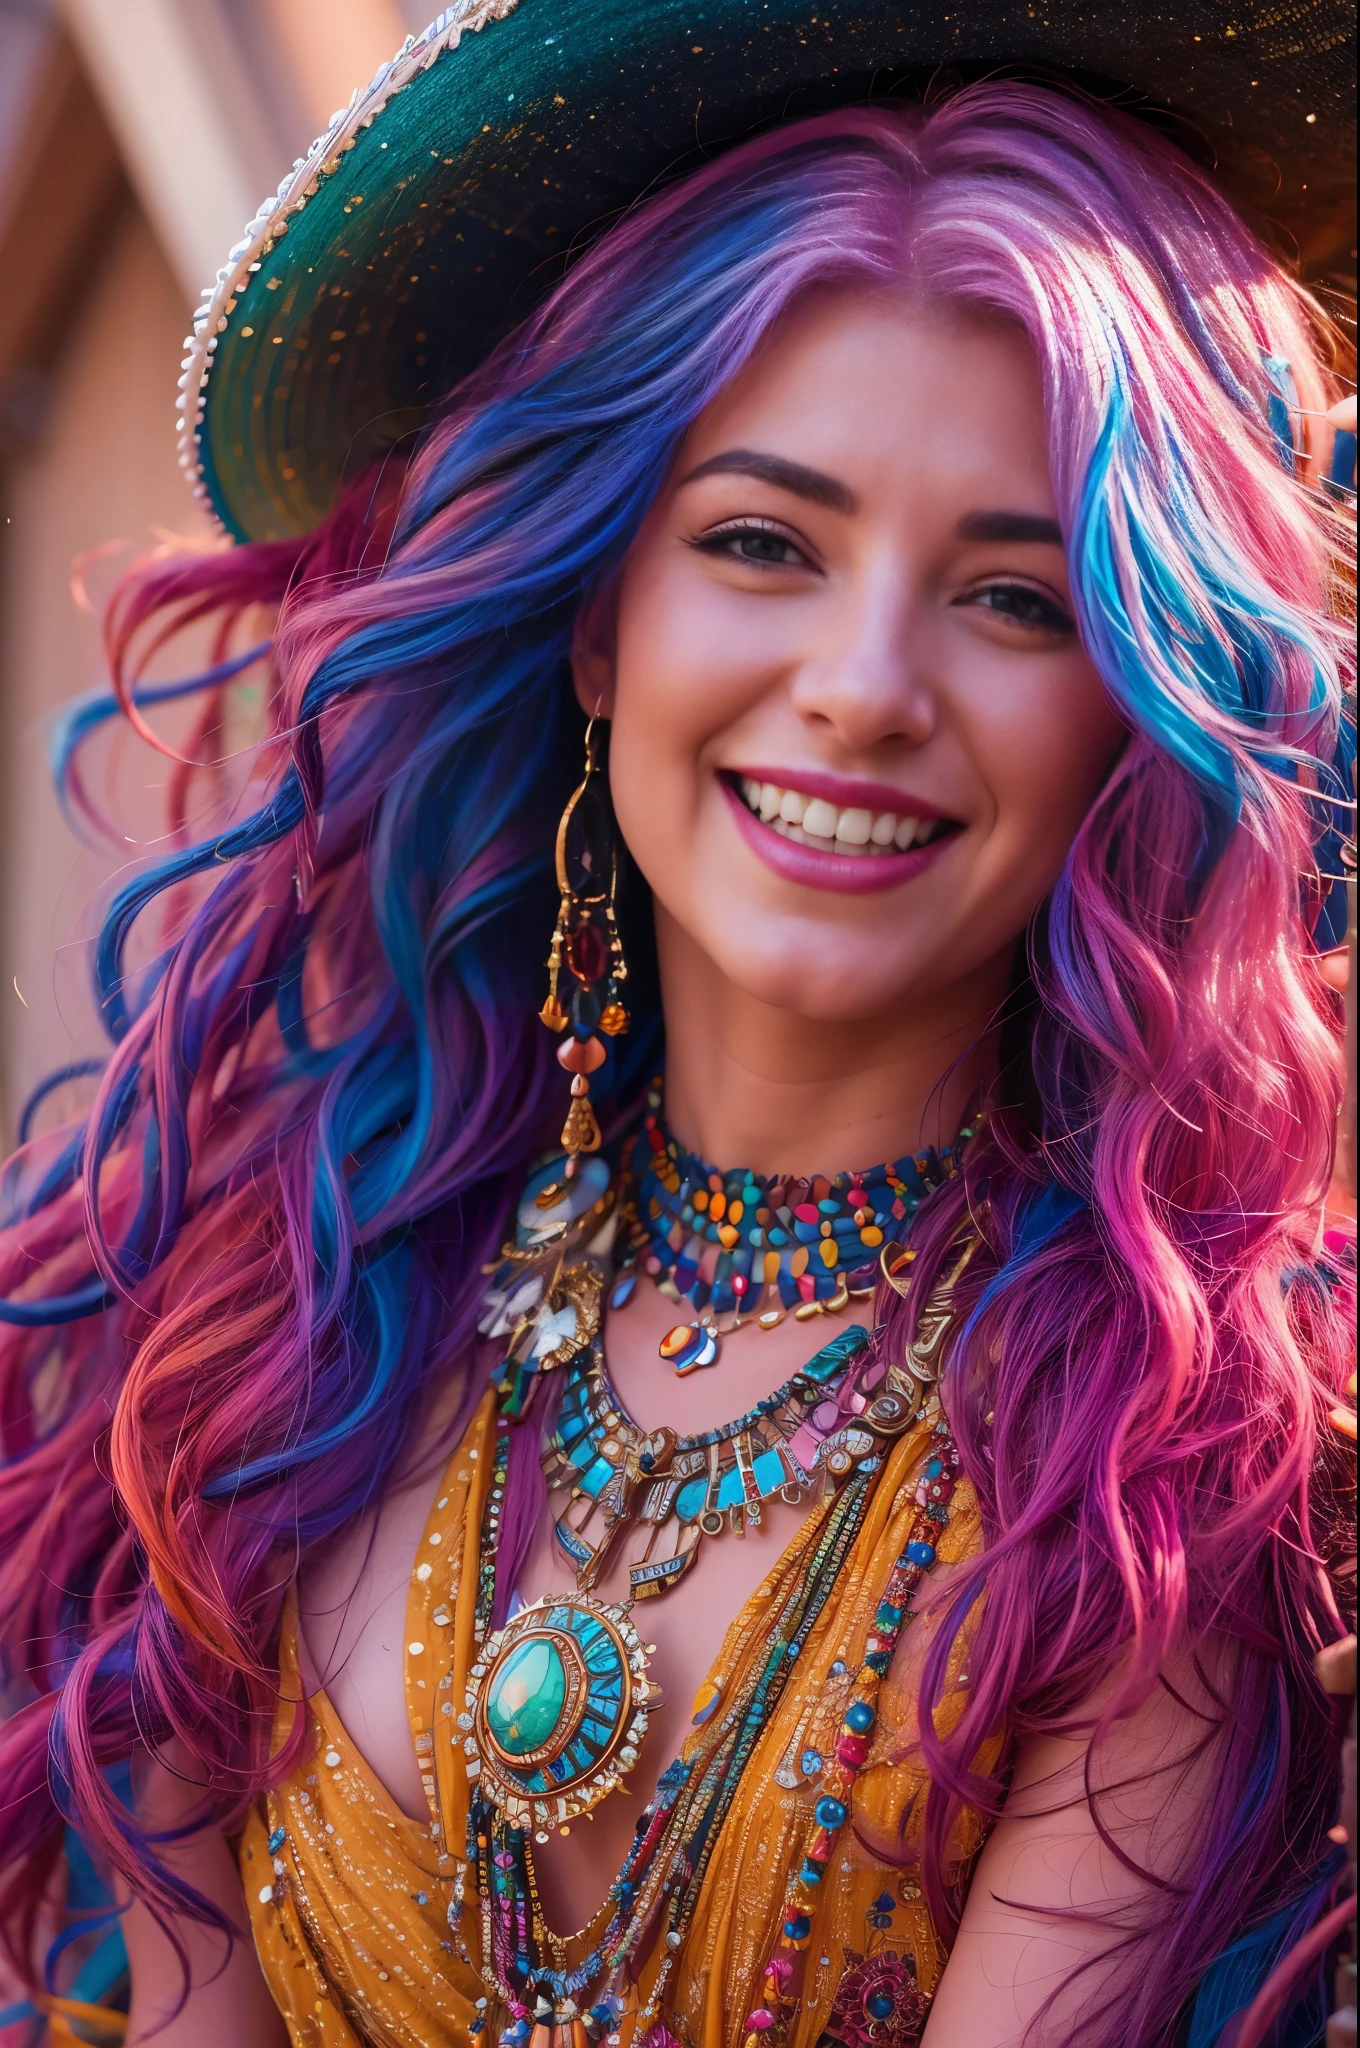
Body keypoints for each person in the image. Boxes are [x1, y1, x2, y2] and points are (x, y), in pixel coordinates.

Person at [0, 10, 1355, 2048]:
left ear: (1137, 704)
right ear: (593, 613)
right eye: (759, 544)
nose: (860, 684)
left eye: (1012, 597)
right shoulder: (261, 1316)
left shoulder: (1179, 1468)